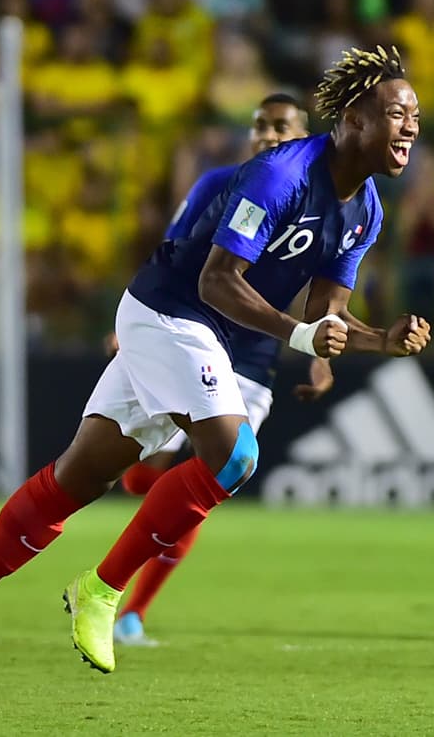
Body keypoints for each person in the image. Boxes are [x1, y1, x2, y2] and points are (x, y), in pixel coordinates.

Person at [0, 46, 431, 702]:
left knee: (79, 477)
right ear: (354, 118)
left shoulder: (367, 209)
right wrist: (299, 333)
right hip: (170, 311)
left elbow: (328, 309)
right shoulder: (281, 175)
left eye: (416, 115)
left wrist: (379, 337)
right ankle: (102, 590)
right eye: (398, 112)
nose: (412, 125)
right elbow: (215, 279)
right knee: (235, 453)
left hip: (212, 335)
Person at [111, 92, 327, 646]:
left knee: (212, 481)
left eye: (280, 127)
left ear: (303, 136)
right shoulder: (217, 184)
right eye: (259, 127)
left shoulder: (320, 200)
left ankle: (133, 610)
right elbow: (172, 252)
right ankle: (144, 497)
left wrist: (319, 353)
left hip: (254, 358)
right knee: (144, 474)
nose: (266, 136)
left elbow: (323, 291)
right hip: (191, 333)